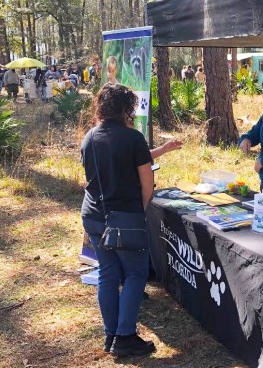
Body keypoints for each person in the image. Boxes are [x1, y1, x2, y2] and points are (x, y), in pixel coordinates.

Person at [80, 83, 182, 357]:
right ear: (127, 109)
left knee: (108, 274)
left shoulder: (89, 137)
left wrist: (162, 149)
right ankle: (125, 336)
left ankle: (111, 334)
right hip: (125, 215)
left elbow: (117, 162)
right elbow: (146, 181)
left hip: (92, 214)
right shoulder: (132, 137)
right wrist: (142, 208)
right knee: (136, 274)